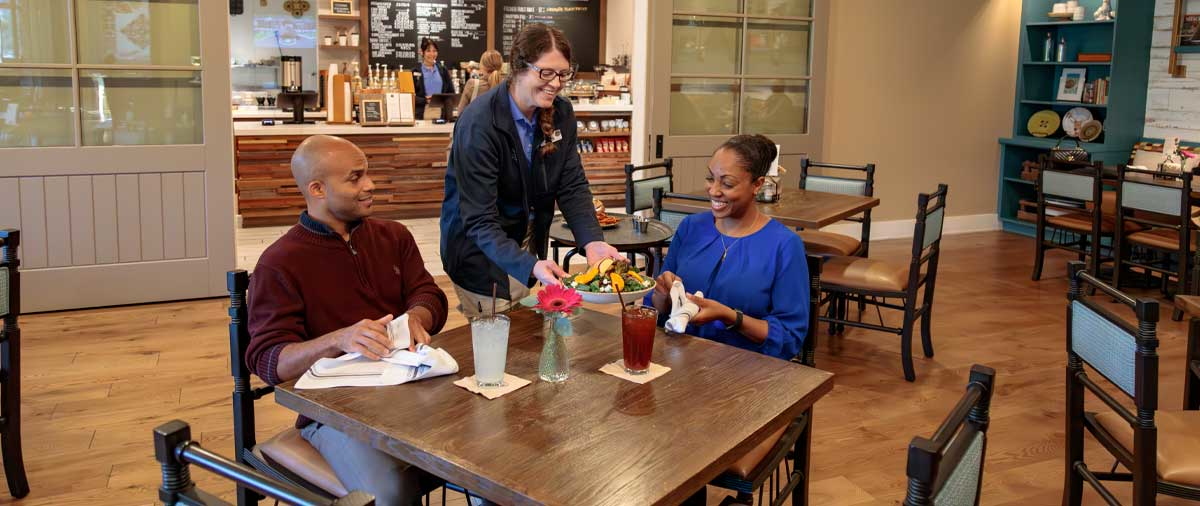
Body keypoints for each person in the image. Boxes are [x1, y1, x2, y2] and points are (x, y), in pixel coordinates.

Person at [245, 135, 449, 506]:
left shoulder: (393, 236)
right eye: (355, 178)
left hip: (410, 391)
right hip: (332, 415)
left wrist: (417, 317)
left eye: (367, 174)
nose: (369, 185)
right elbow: (269, 361)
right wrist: (338, 340)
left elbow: (429, 295)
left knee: (489, 452)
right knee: (388, 493)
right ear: (317, 189)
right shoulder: (280, 263)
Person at [440, 23, 620, 316]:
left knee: (522, 330)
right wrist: (530, 265)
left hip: (525, 246)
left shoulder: (560, 114)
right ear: (519, 67)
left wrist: (592, 240)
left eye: (563, 73)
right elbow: (479, 221)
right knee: (496, 339)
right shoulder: (479, 123)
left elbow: (571, 184)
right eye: (546, 72)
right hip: (479, 253)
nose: (557, 83)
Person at [646, 134, 809, 361]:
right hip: (677, 360)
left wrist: (731, 317)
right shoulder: (690, 228)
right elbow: (656, 308)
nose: (714, 190)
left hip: (744, 372)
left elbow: (789, 336)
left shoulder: (784, 246)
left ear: (757, 185)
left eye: (727, 183)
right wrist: (662, 296)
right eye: (710, 178)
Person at [413, 38, 454, 120]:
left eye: (434, 51)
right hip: (420, 116)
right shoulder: (414, 71)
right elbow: (410, 97)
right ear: (422, 52)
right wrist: (425, 100)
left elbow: (451, 93)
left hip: (441, 116)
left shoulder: (443, 70)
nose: (432, 54)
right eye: (428, 51)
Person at [455, 49, 503, 117]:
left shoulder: (472, 84)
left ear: (482, 66)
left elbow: (461, 113)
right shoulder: (507, 88)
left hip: (477, 127)